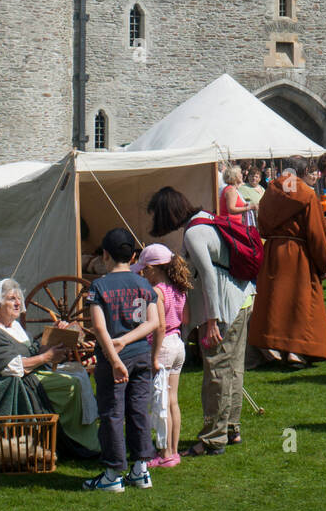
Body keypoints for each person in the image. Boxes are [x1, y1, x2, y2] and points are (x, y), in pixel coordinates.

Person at [148, 185, 255, 455]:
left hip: (226, 307)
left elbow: (207, 275)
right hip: (243, 299)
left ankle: (211, 439)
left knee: (217, 372)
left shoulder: (195, 232)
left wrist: (211, 320)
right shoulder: (204, 219)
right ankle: (230, 429)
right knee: (232, 369)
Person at [0, 278, 101, 456]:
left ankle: (90, 436)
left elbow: (32, 352)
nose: (18, 303)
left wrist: (54, 335)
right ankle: (75, 439)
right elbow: (10, 368)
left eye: (18, 298)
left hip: (30, 374)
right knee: (72, 385)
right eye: (11, 299)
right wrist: (47, 356)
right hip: (16, 385)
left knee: (78, 373)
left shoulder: (13, 326)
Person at [82, 227, 161, 491]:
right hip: (140, 356)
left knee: (113, 414)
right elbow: (154, 322)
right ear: (134, 254)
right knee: (139, 410)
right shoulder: (144, 284)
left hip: (114, 360)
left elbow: (100, 328)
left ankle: (113, 474)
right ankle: (141, 470)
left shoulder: (99, 286)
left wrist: (115, 357)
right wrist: (128, 340)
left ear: (105, 254)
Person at [248, 157, 326, 366]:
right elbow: (316, 231)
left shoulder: (269, 192)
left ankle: (271, 347)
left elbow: (262, 223)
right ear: (304, 171)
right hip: (298, 252)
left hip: (273, 250)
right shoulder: (306, 195)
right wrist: (324, 262)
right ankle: (295, 351)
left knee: (274, 301)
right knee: (299, 302)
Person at [132, 243, 192, 468]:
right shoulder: (179, 288)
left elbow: (158, 326)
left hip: (164, 345)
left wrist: (154, 356)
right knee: (172, 400)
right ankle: (173, 451)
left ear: (155, 269)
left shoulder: (156, 292)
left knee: (161, 403)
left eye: (145, 269)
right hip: (178, 343)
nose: (142, 273)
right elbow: (184, 318)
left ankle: (165, 452)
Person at [219, 164, 256, 231]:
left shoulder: (232, 189)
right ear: (234, 176)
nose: (242, 175)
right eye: (240, 174)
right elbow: (231, 209)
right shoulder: (231, 190)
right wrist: (249, 208)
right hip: (230, 225)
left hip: (234, 224)